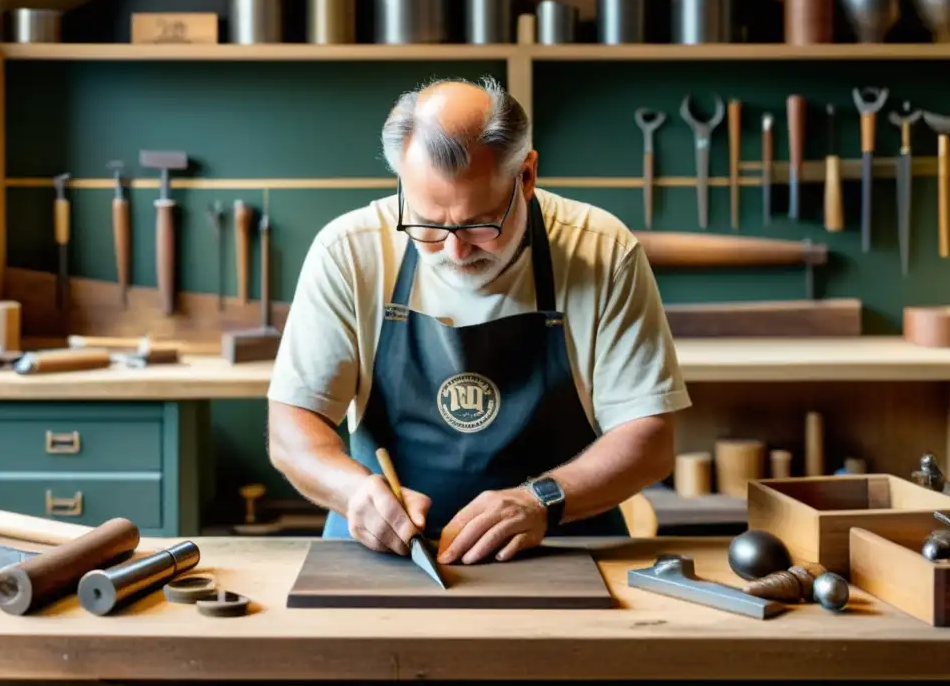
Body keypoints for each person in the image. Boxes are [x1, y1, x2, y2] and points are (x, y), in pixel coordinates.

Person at [266, 76, 691, 566]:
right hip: (384, 554)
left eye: (478, 224)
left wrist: (543, 499)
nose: (454, 250)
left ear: (526, 176)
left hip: (562, 548)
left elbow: (650, 440)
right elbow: (293, 426)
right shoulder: (349, 251)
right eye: (427, 223)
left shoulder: (601, 250)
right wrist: (352, 491)